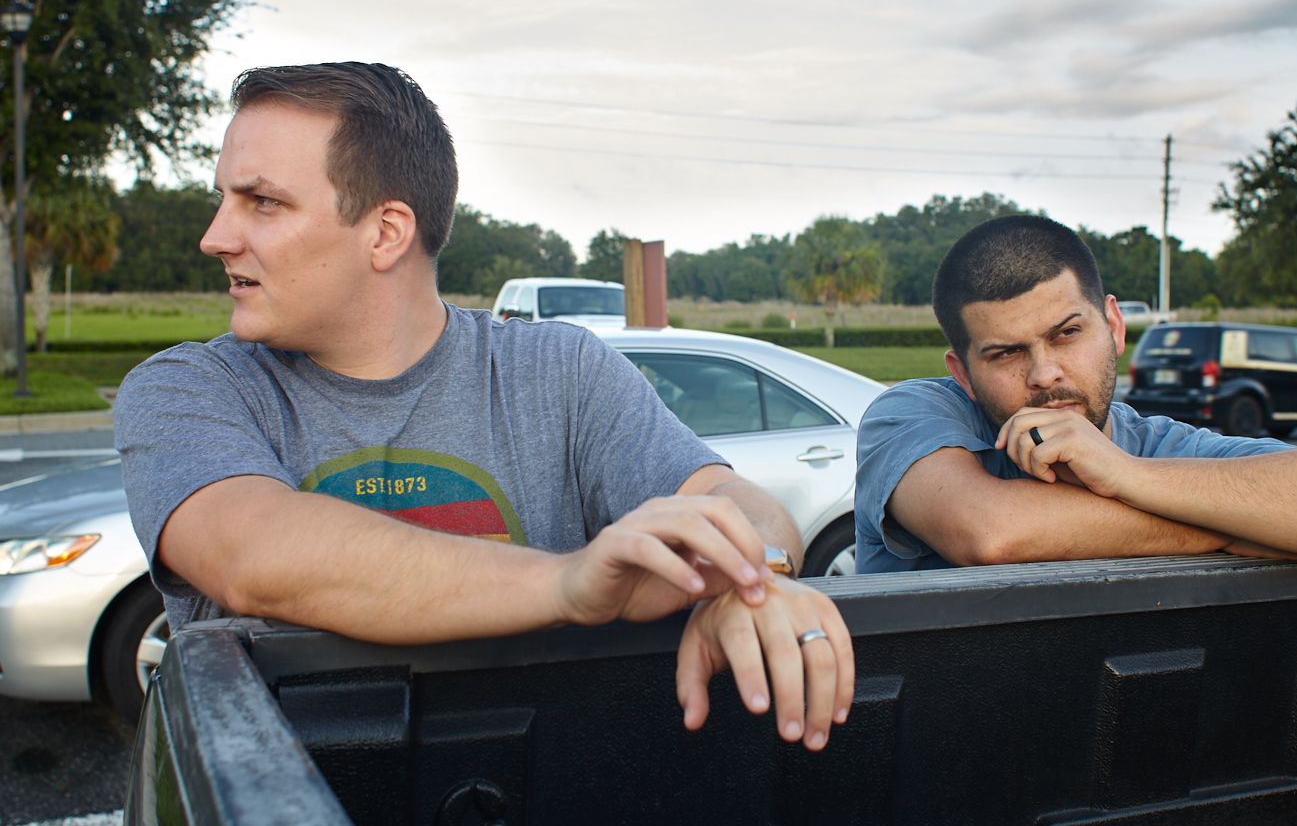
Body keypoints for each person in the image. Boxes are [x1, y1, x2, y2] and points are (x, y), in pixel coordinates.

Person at [114, 62, 852, 751]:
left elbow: (734, 503)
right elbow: (255, 558)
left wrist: (753, 579)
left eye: (262, 202)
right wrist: (570, 584)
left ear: (385, 231)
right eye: (226, 199)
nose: (216, 236)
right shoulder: (188, 389)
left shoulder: (559, 371)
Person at [855, 215, 1297, 573]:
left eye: (1067, 333)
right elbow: (990, 534)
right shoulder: (912, 412)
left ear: (1115, 326)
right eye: (1006, 353)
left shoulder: (1161, 445)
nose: (1045, 374)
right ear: (962, 371)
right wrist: (1246, 525)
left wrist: (1122, 472)